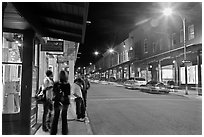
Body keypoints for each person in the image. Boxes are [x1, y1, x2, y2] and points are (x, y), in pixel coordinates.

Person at [50, 70, 71, 135]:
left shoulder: (56, 83)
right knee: (64, 117)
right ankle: (64, 132)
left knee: (56, 116)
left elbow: (54, 92)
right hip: (65, 101)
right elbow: (68, 93)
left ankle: (53, 132)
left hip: (57, 101)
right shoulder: (67, 84)